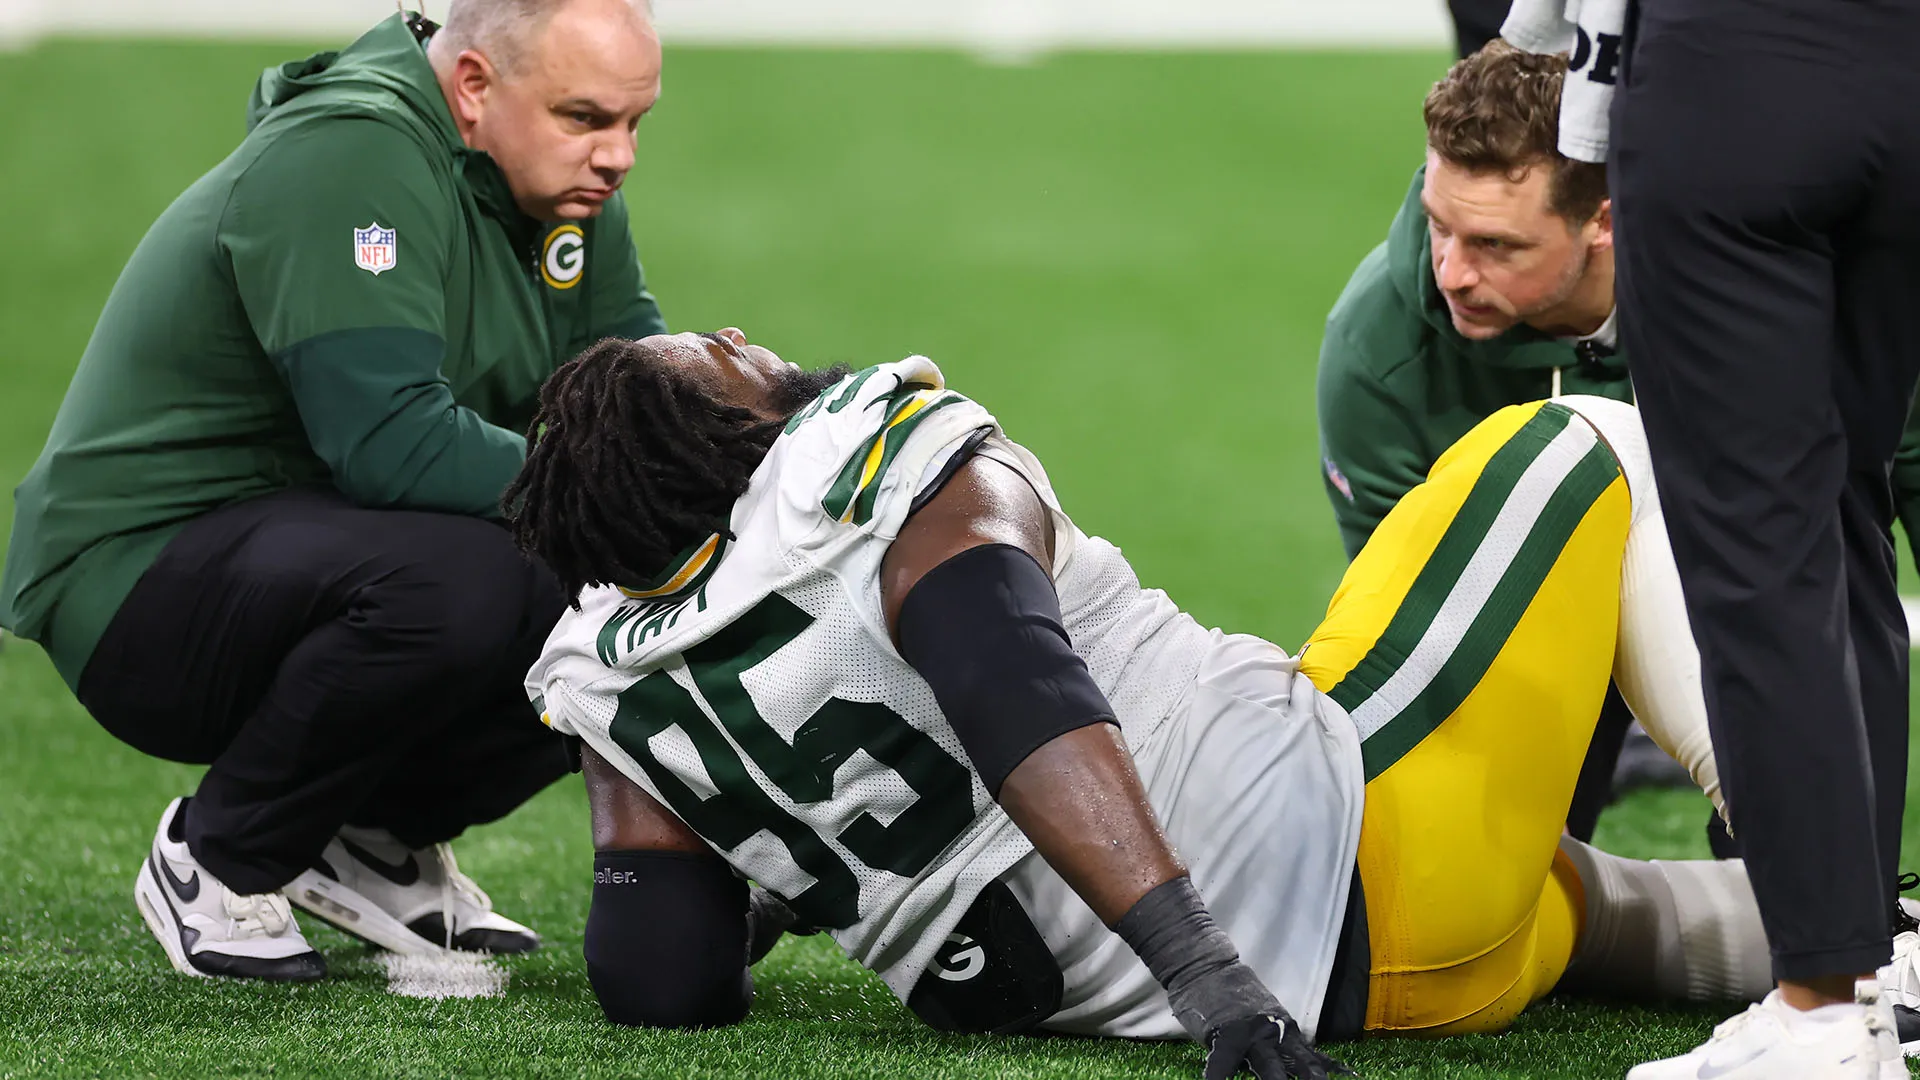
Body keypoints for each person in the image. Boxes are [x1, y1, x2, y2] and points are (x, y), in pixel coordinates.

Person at [512, 329, 1814, 1078]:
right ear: (715, 441)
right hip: (1348, 846)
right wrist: (1214, 984)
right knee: (1578, 444)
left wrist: (803, 848)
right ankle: (1769, 809)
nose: (747, 341)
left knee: (1655, 921)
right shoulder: (857, 474)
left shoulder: (611, 671)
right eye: (715, 359)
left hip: (1387, 971)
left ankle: (1853, 942)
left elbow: (663, 980)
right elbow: (1015, 691)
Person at [0, 0, 667, 981]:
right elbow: (388, 441)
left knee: (624, 599)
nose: (618, 156)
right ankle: (217, 856)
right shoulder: (351, 152)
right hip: (134, 581)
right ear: (474, 86)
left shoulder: (561, 190)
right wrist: (624, 507)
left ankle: (369, 840)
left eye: (632, 122)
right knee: (482, 578)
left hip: (311, 546)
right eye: (584, 118)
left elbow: (629, 397)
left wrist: (720, 480)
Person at [1607, 0, 1920, 1076]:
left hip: (1738, 67)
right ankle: (1866, 971)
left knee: (1760, 550)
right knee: (1846, 505)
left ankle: (1824, 1007)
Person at [1318, 41, 1680, 843]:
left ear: (1602, 222)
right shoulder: (1377, 349)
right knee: (1476, 861)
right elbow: (1411, 628)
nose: (1449, 272)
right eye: (1438, 227)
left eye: (1494, 246)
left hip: (1723, 590)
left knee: (1791, 858)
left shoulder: (1723, 290)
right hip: (1528, 636)